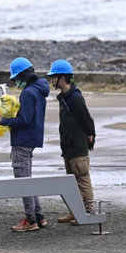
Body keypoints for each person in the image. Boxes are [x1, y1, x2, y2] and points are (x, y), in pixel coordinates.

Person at [0, 57, 50, 232]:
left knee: (23, 180)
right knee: (28, 178)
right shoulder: (40, 89)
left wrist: (3, 121)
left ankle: (30, 219)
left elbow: (24, 120)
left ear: (24, 75)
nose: (16, 82)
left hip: (23, 140)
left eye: (16, 78)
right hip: (32, 139)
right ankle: (38, 215)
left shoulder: (28, 92)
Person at [47, 59, 96, 224]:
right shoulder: (64, 98)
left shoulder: (75, 98)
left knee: (82, 179)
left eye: (54, 77)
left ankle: (87, 212)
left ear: (63, 78)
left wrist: (90, 138)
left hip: (77, 148)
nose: (51, 80)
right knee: (71, 182)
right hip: (68, 148)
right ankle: (75, 211)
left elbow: (87, 121)